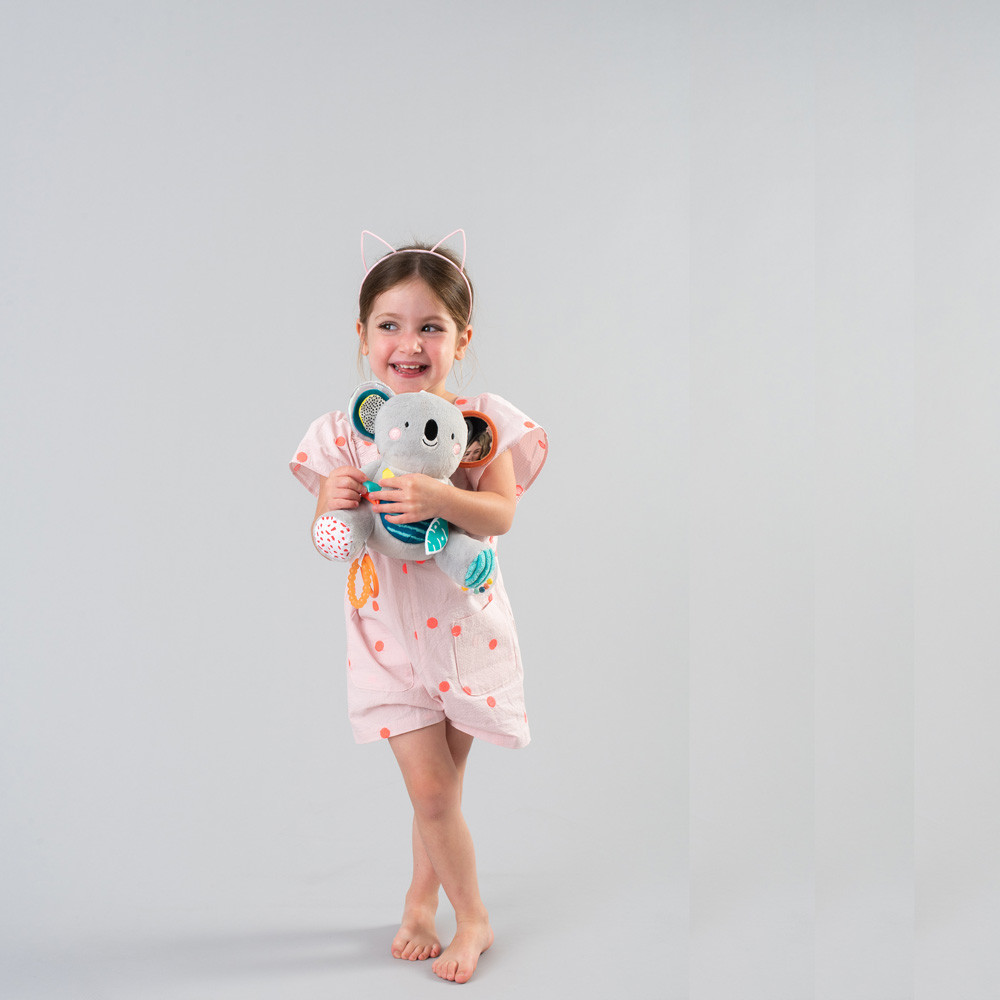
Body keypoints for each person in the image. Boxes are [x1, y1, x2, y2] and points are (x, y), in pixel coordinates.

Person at [289, 231, 547, 984]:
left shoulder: (477, 426)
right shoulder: (346, 433)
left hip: (464, 634)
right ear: (362, 336)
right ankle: (474, 917)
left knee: (442, 793)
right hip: (386, 639)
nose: (409, 343)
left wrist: (440, 496)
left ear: (461, 339)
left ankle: (418, 901)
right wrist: (330, 502)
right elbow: (333, 538)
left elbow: (500, 514)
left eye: (431, 326)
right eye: (390, 325)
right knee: (431, 790)